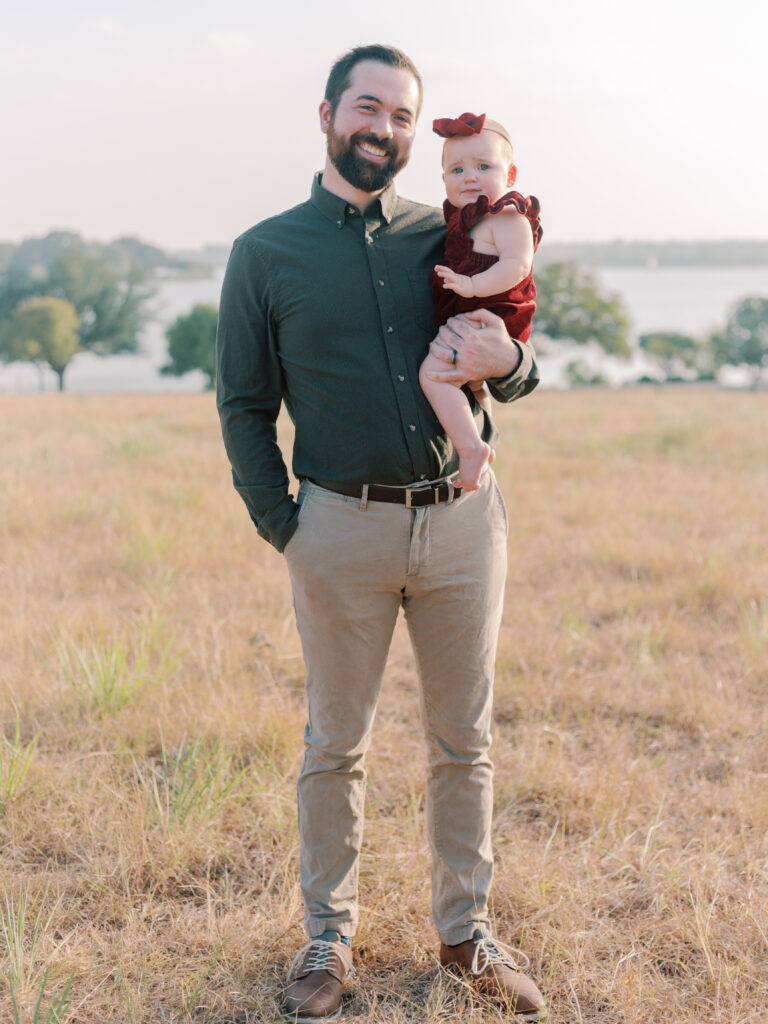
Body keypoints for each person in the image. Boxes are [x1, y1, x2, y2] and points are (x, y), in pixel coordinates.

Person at [216, 44, 545, 1023]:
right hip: (338, 529)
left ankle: (467, 936)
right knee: (334, 744)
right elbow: (243, 404)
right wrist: (287, 525)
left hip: (462, 527)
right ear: (327, 116)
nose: (385, 129)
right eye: (368, 108)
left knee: (465, 742)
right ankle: (328, 940)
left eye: (402, 115)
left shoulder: (451, 229)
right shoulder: (264, 253)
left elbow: (515, 364)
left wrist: (510, 363)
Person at [420, 112, 542, 492]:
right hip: (470, 310)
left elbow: (517, 265)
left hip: (489, 314)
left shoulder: (508, 217)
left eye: (483, 166)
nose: (469, 177)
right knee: (473, 387)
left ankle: (470, 447)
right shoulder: (463, 221)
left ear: (511, 174)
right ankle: (482, 433)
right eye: (457, 170)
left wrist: (472, 285)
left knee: (433, 374)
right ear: (443, 179)